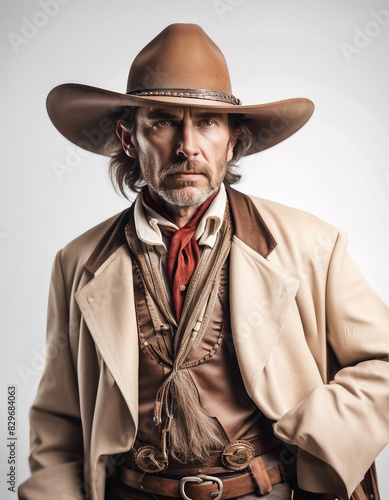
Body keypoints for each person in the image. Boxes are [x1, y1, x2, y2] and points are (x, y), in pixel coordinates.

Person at [18, 24, 389, 500]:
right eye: (163, 121)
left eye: (208, 122)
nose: (187, 146)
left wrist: (316, 440)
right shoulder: (77, 262)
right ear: (128, 137)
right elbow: (58, 423)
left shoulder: (310, 244)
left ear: (233, 140)